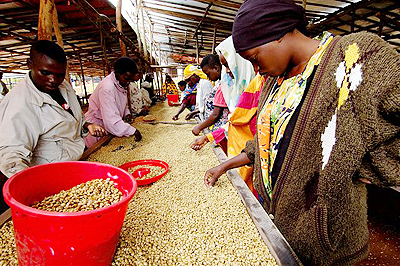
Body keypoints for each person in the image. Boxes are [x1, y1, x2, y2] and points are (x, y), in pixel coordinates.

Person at [204, 0, 400, 265]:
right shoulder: (274, 80)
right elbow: (266, 144)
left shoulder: (354, 56)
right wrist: (225, 165)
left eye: (254, 59)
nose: (256, 70)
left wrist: (360, 164)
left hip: (326, 243)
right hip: (284, 228)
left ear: (276, 33)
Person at [0, 40, 106, 178]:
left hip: (77, 163)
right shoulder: (19, 103)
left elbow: (71, 117)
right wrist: (35, 186)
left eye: (60, 74)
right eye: (45, 72)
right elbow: (11, 156)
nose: (53, 80)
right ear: (30, 64)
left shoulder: (64, 86)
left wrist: (87, 125)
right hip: (51, 176)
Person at [191, 73, 264, 193]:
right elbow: (233, 122)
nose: (228, 71)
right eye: (227, 66)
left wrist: (223, 166)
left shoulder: (260, 83)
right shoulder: (244, 86)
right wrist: (207, 137)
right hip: (245, 154)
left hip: (254, 157)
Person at [85, 57, 142, 148]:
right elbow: (111, 120)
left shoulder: (120, 84)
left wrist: (127, 114)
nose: (128, 83)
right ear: (118, 73)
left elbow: (121, 103)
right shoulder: (107, 87)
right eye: (126, 79)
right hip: (97, 129)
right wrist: (133, 131)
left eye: (130, 80)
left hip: (109, 128)